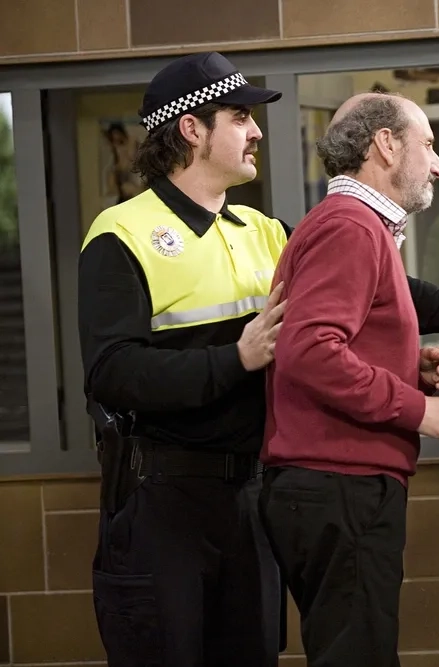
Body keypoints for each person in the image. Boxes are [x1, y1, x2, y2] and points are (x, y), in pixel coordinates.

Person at [78, 52, 288, 667]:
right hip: (161, 502)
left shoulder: (264, 230)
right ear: (192, 129)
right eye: (240, 115)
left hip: (249, 498)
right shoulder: (121, 234)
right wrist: (238, 357)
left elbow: (352, 290)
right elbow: (113, 373)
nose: (255, 131)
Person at [258, 92, 439, 667]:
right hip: (341, 484)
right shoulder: (351, 226)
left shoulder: (356, 226)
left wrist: (412, 371)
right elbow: (309, 352)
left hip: (338, 485)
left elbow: (329, 344)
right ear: (385, 143)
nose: (437, 165)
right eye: (427, 144)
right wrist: (418, 407)